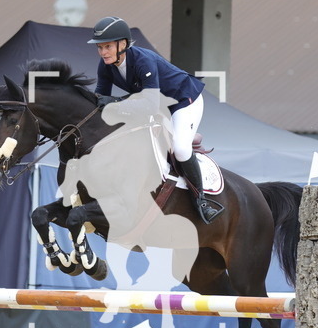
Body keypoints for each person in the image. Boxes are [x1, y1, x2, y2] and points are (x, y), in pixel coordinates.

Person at [87, 16, 222, 224]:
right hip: (158, 105)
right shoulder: (105, 66)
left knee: (180, 148)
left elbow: (147, 104)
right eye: (100, 47)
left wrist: (114, 103)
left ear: (122, 44)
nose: (103, 52)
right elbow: (100, 101)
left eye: (107, 47)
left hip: (184, 101)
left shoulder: (143, 61)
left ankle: (201, 200)